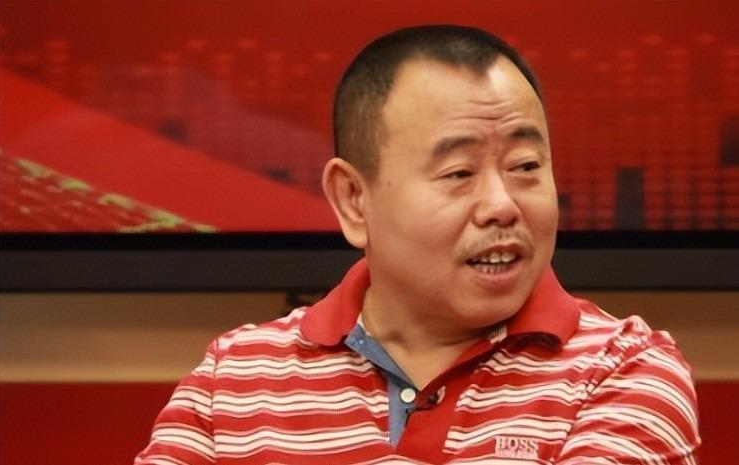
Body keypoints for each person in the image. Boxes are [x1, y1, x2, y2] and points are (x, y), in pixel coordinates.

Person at [135, 25, 700, 464]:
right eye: (459, 173)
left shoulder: (624, 370)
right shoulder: (233, 379)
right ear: (354, 200)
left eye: (526, 166)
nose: (502, 204)